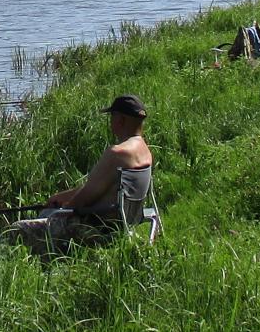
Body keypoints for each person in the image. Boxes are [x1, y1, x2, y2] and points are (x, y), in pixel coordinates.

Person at [11, 94, 155, 254]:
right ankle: (52, 260)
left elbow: (84, 198)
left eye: (112, 116)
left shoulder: (117, 153)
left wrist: (63, 209)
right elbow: (97, 187)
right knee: (47, 214)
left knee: (17, 229)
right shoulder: (144, 151)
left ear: (120, 120)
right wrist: (62, 196)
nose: (110, 121)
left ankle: (43, 264)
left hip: (99, 229)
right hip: (121, 224)